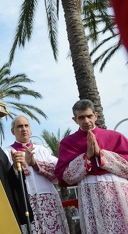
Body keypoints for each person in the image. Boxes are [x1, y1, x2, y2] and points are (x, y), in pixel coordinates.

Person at [55, 99, 128, 233]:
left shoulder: (115, 136)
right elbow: (64, 177)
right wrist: (86, 156)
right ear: (75, 119)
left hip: (117, 191)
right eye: (81, 117)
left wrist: (101, 154)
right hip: (89, 193)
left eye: (89, 116)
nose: (86, 120)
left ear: (96, 115)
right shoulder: (68, 143)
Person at [3, 115, 69, 234]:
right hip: (25, 201)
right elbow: (7, 179)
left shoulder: (42, 150)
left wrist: (34, 163)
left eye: (26, 125)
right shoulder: (7, 152)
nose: (24, 129)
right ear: (12, 131)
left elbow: (57, 172)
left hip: (48, 199)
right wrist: (20, 165)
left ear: (30, 129)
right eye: (19, 126)